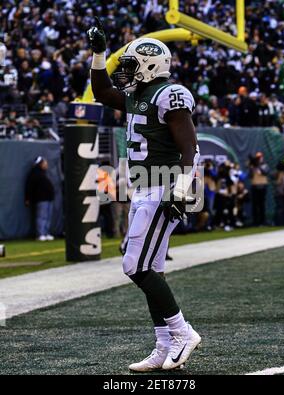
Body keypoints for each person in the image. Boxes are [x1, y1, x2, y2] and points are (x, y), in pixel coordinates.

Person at [87, 18, 201, 372]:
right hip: (143, 187)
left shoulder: (169, 94)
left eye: (131, 65)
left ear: (151, 65)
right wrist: (97, 54)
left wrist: (180, 191)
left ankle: (183, 333)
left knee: (133, 265)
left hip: (163, 185)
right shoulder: (138, 93)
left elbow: (191, 151)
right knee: (150, 267)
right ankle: (164, 345)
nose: (126, 72)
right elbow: (104, 93)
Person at [25, 156, 55, 241]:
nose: (46, 164)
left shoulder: (44, 173)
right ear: (40, 164)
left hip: (49, 198)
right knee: (42, 217)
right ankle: (40, 234)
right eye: (44, 163)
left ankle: (46, 232)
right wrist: (27, 198)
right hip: (41, 199)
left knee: (48, 217)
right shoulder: (34, 174)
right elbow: (29, 187)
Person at [248, 152, 269, 226]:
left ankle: (263, 221)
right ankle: (255, 221)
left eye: (259, 157)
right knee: (255, 204)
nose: (259, 159)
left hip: (263, 185)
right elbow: (250, 176)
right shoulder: (252, 166)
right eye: (257, 158)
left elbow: (265, 172)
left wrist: (258, 166)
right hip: (254, 186)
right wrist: (252, 167)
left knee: (261, 204)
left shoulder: (265, 165)